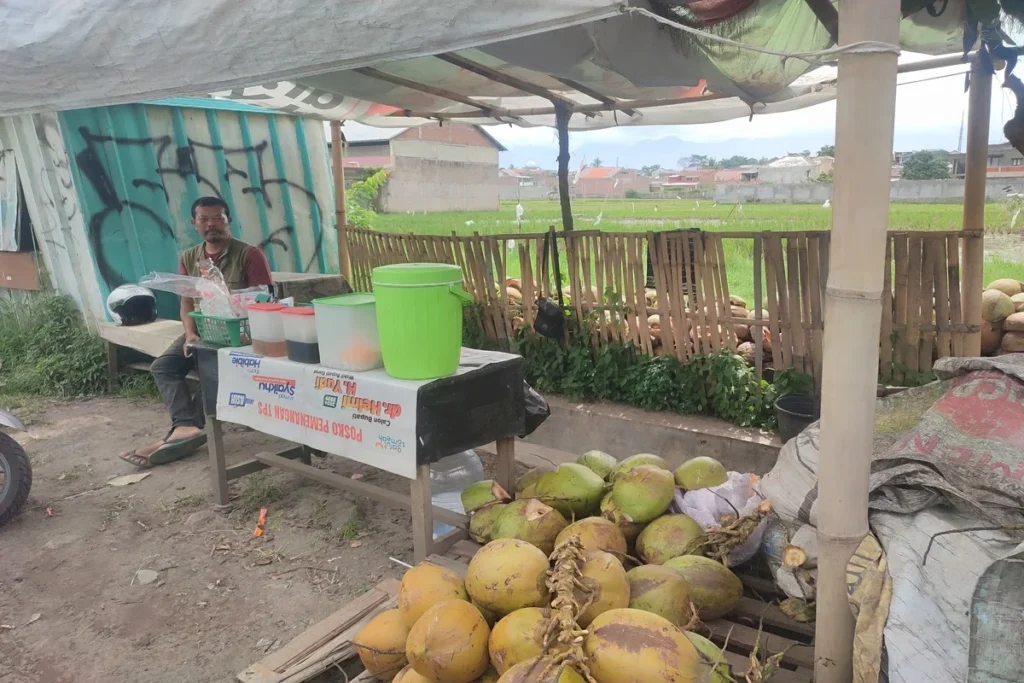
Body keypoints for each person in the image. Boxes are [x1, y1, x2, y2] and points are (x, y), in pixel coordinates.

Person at [120, 197, 273, 468]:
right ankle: (186, 426)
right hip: (203, 329)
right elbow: (187, 302)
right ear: (194, 223)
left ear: (229, 221)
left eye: (217, 218)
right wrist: (190, 334)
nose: (211, 224)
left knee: (212, 373)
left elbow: (264, 302)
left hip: (241, 334)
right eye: (204, 219)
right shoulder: (189, 257)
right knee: (164, 366)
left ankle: (183, 429)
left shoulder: (249, 255)